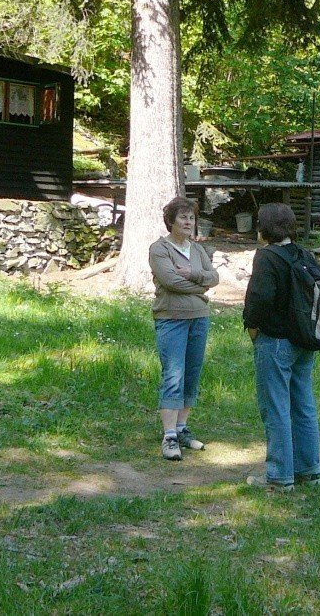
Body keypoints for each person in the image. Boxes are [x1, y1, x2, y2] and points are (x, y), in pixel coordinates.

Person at [242, 202, 320, 492]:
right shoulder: (303, 254)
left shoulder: (266, 257)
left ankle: (279, 478)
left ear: (264, 228)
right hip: (305, 340)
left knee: (276, 408)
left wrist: (252, 329)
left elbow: (259, 300)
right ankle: (309, 471)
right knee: (303, 406)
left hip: (275, 341)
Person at [148, 197, 219, 460]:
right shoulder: (160, 249)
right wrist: (201, 287)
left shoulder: (197, 250)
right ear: (171, 221)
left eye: (191, 218)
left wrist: (192, 274)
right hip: (171, 318)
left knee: (191, 374)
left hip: (199, 317)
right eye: (183, 218)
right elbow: (170, 281)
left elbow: (214, 277)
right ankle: (168, 437)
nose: (189, 222)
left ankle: (181, 429)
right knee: (173, 375)